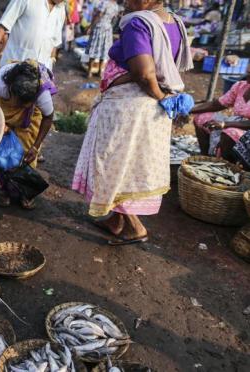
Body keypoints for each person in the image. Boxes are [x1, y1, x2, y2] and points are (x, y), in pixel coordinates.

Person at [72, 0, 193, 245]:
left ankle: (134, 227)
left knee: (117, 162)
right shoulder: (173, 22)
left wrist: (160, 98)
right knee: (130, 161)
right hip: (150, 107)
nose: (125, 1)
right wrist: (164, 99)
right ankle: (116, 221)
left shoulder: (139, 22)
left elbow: (145, 73)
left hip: (131, 106)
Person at [0, 59, 57, 209]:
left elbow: (48, 117)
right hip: (4, 107)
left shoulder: (42, 93)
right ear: (10, 89)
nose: (20, 107)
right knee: (6, 152)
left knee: (26, 153)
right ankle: (5, 190)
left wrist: (36, 147)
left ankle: (26, 192)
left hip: (32, 116)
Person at [190, 64, 250, 162]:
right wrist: (190, 110)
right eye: (248, 73)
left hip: (247, 133)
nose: (248, 76)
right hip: (234, 123)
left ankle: (227, 164)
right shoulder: (241, 86)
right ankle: (206, 158)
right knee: (201, 118)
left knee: (230, 132)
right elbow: (217, 104)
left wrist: (225, 124)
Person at [0, 0, 66, 70]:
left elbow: (54, 42)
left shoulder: (61, 10)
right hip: (13, 67)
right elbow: (4, 24)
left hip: (39, 74)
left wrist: (50, 67)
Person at [86, 0, 121, 78]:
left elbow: (98, 15)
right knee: (104, 50)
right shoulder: (116, 6)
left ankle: (89, 72)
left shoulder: (104, 3)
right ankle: (99, 72)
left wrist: (90, 27)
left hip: (99, 28)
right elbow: (113, 19)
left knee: (93, 49)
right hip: (108, 29)